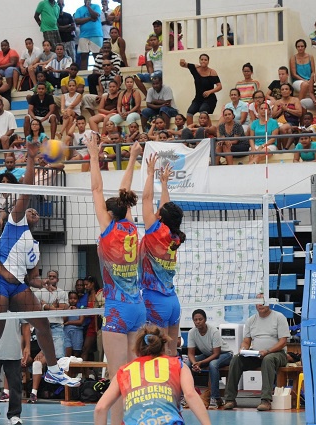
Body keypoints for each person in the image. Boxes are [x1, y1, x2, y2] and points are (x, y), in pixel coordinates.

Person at [0, 139, 80, 409]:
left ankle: (52, 369)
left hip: (17, 285)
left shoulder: (35, 247)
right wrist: (30, 159)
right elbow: (26, 193)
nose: (30, 210)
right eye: (26, 209)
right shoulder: (15, 224)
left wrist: (45, 283)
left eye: (33, 211)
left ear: (37, 219)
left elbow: (31, 278)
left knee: (41, 321)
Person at [88, 136, 145, 425]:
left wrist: (93, 153)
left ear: (110, 213)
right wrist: (133, 155)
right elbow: (125, 192)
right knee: (132, 374)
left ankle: (113, 422)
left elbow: (97, 188)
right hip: (139, 307)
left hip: (118, 309)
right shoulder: (131, 226)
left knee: (117, 376)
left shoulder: (109, 228)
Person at [94, 324, 212, 425]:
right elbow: (190, 395)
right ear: (163, 346)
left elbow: (100, 408)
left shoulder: (124, 371)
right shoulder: (178, 365)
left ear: (137, 349)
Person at [140, 154, 185, 357]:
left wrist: (150, 174)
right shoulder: (174, 235)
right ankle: (177, 389)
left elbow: (147, 198)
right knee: (172, 355)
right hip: (173, 302)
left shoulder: (154, 231)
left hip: (155, 299)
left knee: (156, 355)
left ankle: (160, 389)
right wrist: (164, 184)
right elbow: (164, 206)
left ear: (161, 216)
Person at [223, 294, 289, 412]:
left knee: (268, 359)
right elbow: (246, 340)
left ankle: (265, 400)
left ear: (268, 302)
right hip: (257, 354)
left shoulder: (279, 317)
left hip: (277, 354)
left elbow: (283, 341)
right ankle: (230, 399)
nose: (261, 304)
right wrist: (243, 349)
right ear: (255, 304)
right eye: (258, 302)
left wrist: (268, 351)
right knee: (236, 359)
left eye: (263, 301)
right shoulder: (251, 320)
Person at [0, 318, 30, 425]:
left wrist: (27, 346)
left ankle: (15, 415)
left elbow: (26, 326)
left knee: (15, 384)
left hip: (14, 351)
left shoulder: (18, 304)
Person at [187, 309, 233, 409]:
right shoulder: (192, 332)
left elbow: (216, 354)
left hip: (225, 354)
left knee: (213, 364)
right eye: (195, 320)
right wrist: (195, 363)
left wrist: (201, 363)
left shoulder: (214, 331)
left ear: (205, 320)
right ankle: (186, 396)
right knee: (187, 364)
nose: (198, 321)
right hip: (208, 354)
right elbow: (190, 353)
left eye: (200, 319)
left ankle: (215, 398)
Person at [180, 55, 222, 125]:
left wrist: (210, 91)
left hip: (209, 99)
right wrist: (182, 62)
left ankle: (208, 130)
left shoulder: (212, 72)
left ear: (208, 62)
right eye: (202, 59)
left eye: (205, 60)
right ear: (199, 61)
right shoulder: (195, 68)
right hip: (198, 99)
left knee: (202, 111)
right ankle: (190, 131)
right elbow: (183, 65)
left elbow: (219, 86)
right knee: (189, 112)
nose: (203, 61)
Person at [74, 0, 103, 70]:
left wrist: (88, 6)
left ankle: (99, 73)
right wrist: (90, 18)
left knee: (97, 56)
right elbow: (77, 21)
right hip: (83, 35)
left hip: (96, 34)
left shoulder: (96, 6)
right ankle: (84, 75)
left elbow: (95, 16)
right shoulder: (79, 9)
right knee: (83, 56)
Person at [63, 291, 85, 357]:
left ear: (77, 300)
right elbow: (63, 320)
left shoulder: (80, 310)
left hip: (77, 333)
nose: (73, 300)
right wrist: (68, 311)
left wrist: (69, 322)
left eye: (75, 298)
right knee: (67, 354)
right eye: (71, 298)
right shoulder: (65, 310)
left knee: (76, 354)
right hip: (66, 333)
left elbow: (80, 322)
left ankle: (76, 367)